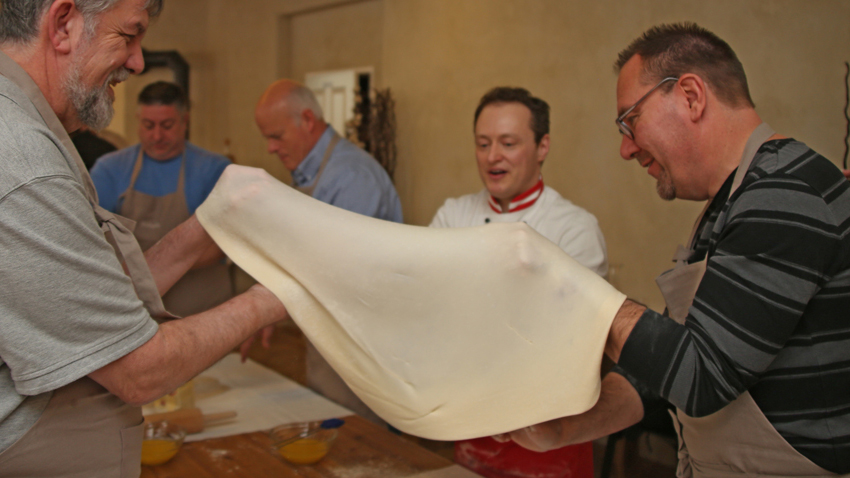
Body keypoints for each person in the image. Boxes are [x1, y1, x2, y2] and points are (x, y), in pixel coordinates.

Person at [494, 23, 850, 476]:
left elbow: (699, 375)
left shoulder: (783, 194)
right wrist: (562, 430)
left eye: (630, 121)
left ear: (691, 96)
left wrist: (569, 286)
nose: (626, 149)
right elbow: (661, 374)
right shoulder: (733, 202)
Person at [0, 1, 288, 476]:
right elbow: (138, 369)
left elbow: (91, 298)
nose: (137, 61)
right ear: (63, 24)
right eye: (128, 35)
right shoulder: (24, 160)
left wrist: (207, 222)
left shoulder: (27, 130)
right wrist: (278, 296)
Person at [431, 87, 607, 478]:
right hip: (471, 420)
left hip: (550, 430)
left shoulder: (574, 228)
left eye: (508, 143)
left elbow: (569, 342)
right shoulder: (453, 215)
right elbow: (430, 309)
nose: (493, 156)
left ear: (543, 146)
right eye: (483, 144)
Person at [252, 79, 403, 423]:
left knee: (360, 437)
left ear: (307, 120)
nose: (271, 148)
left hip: (360, 344)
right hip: (326, 336)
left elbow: (337, 272)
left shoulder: (352, 178)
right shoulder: (308, 171)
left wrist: (262, 308)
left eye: (276, 136)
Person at [91, 81, 233, 317]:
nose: (157, 135)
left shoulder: (215, 170)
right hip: (135, 313)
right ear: (138, 120)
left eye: (167, 125)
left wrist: (150, 266)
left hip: (202, 311)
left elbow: (224, 244)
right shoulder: (110, 170)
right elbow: (92, 238)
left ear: (185, 121)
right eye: (148, 125)